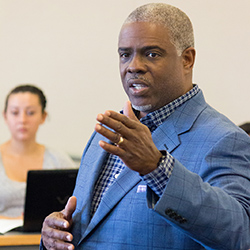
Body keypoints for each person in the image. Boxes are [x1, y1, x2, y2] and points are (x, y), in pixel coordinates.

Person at [40, 3, 250, 250]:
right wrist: (54, 235)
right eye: (125, 54)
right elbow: (92, 229)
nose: (133, 66)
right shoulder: (108, 132)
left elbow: (239, 233)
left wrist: (157, 168)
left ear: (187, 59)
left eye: (152, 54)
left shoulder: (225, 139)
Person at [0, 84, 76, 219]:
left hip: (46, 237)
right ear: (5, 116)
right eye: (15, 112)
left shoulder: (58, 160)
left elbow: (77, 204)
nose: (22, 120)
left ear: (43, 116)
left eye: (30, 113)